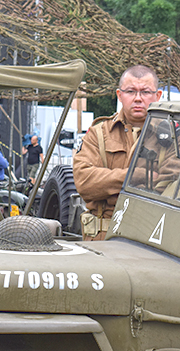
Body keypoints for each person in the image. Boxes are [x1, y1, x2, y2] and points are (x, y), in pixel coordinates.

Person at [73, 64, 163, 241]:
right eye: (130, 91)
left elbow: (170, 185)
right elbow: (85, 182)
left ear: (157, 96)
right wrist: (135, 177)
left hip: (151, 240)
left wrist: (109, 187)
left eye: (145, 92)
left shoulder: (173, 138)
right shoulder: (99, 134)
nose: (138, 98)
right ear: (119, 95)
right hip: (102, 242)